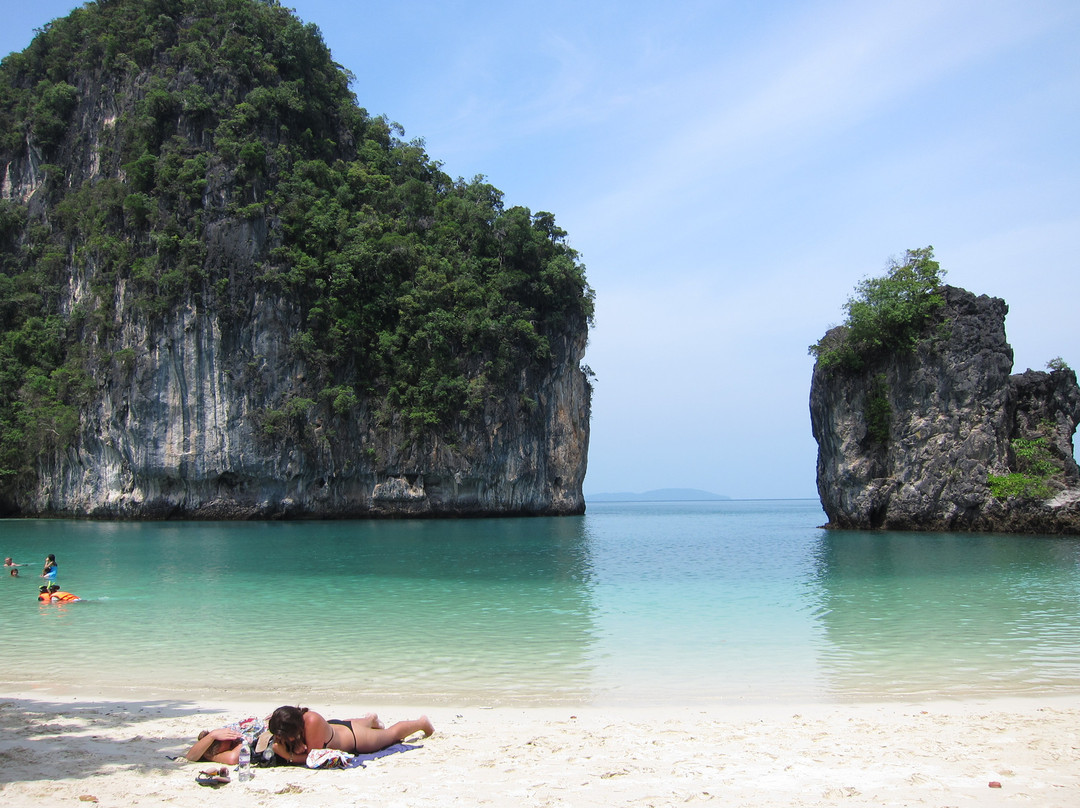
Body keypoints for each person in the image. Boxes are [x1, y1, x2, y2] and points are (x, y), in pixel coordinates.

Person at [268, 706, 433, 765]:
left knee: (391, 734)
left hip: (353, 738)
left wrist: (287, 755)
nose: (285, 740)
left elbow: (314, 757)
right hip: (335, 728)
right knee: (359, 723)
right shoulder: (288, 719)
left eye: (287, 736)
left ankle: (421, 722)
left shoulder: (311, 721)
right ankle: (370, 719)